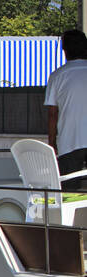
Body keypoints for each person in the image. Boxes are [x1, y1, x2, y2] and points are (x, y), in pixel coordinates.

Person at [46, 29, 87, 182]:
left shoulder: (57, 76)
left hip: (69, 143)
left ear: (65, 50)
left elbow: (52, 114)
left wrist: (51, 143)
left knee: (69, 191)